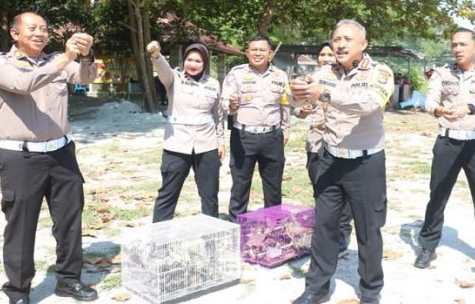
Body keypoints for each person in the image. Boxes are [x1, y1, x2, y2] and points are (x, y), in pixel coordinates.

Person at [0, 11, 98, 304]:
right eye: (32, 28)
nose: (40, 33)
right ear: (15, 33)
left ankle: (69, 280)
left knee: (70, 220)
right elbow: (23, 84)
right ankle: (18, 290)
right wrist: (66, 58)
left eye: (44, 29)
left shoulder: (57, 61)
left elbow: (86, 77)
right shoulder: (0, 63)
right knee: (21, 226)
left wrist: (86, 55)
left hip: (62, 154)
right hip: (21, 158)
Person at [290, 20, 394, 304]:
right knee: (324, 226)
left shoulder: (380, 72)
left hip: (365, 162)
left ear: (364, 44)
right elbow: (298, 104)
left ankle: (370, 289)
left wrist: (325, 93)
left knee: (368, 229)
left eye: (348, 39)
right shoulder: (324, 72)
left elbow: (370, 103)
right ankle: (316, 288)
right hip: (330, 159)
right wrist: (295, 93)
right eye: (336, 39)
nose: (340, 44)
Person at [414, 27, 475, 275]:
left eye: (463, 44)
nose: (458, 49)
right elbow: (430, 100)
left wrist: (470, 108)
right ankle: (427, 247)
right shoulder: (442, 73)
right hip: (447, 142)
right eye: (454, 44)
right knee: (437, 195)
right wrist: (438, 110)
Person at [146, 40, 224, 220]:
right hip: (177, 146)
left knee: (210, 195)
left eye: (198, 61)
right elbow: (162, 68)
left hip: (207, 146)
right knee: (168, 194)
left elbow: (218, 116)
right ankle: (160, 236)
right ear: (183, 61)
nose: (193, 64)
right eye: (189, 60)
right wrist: (156, 54)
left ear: (205, 63)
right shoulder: (174, 79)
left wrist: (220, 142)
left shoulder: (213, 84)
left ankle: (211, 234)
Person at [221, 35, 290, 222]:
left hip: (272, 137)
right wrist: (231, 105)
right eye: (254, 50)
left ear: (270, 53)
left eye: (262, 50)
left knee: (273, 187)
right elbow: (224, 102)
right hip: (243, 137)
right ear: (247, 52)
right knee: (240, 185)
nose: (258, 53)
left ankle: (274, 226)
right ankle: (236, 225)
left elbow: (285, 105)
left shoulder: (280, 76)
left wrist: (286, 130)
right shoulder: (236, 74)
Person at [293, 42, 353, 253]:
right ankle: (324, 230)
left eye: (330, 54)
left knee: (343, 189)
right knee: (320, 187)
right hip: (316, 141)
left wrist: (327, 121)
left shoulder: (348, 79)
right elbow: (298, 107)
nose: (326, 58)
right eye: (322, 54)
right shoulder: (313, 78)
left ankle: (343, 231)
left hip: (341, 141)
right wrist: (302, 112)